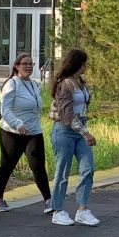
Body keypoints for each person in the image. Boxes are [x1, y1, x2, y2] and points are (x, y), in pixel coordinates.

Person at [48, 48, 100, 226]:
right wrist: (85, 132)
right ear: (77, 64)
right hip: (64, 130)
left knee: (88, 168)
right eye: (84, 63)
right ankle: (58, 210)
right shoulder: (64, 84)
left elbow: (83, 107)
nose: (86, 66)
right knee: (62, 171)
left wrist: (83, 129)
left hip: (80, 129)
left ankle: (83, 209)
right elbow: (67, 114)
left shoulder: (81, 83)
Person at [0, 52, 51, 213]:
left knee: (38, 166)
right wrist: (18, 124)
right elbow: (5, 110)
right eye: (24, 64)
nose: (28, 67)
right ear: (17, 66)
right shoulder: (11, 84)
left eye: (31, 64)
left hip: (33, 131)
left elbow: (35, 108)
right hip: (12, 132)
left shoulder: (34, 85)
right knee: (7, 165)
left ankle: (48, 200)